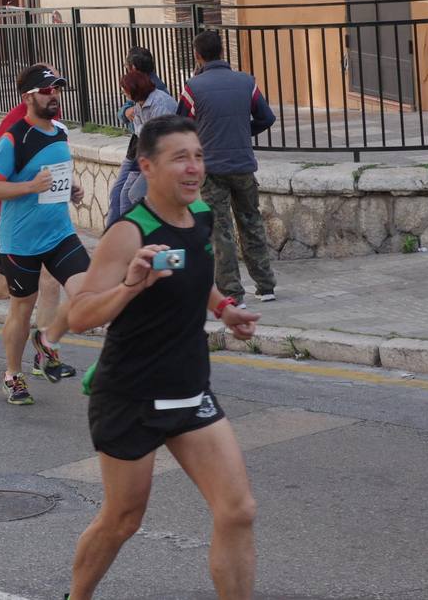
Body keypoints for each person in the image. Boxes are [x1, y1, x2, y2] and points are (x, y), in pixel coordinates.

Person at [65, 115, 261, 600]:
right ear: (147, 167)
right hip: (131, 395)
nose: (194, 168)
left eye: (197, 156)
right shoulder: (128, 234)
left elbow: (197, 272)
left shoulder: (202, 219)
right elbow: (80, 316)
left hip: (190, 390)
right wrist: (132, 284)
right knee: (122, 519)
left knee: (237, 511)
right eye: (180, 158)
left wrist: (223, 308)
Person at [0, 64, 87, 405]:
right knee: (21, 310)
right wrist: (30, 186)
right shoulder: (14, 138)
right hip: (21, 241)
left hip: (59, 234)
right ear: (28, 97)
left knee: (86, 291)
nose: (55, 96)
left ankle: (47, 338)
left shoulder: (61, 132)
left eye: (57, 89)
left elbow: (55, 175)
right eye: (47, 90)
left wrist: (72, 190)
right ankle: (13, 375)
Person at [177, 31, 278, 304]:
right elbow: (267, 117)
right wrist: (244, 131)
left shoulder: (193, 88)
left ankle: (232, 293)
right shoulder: (246, 82)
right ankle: (266, 285)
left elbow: (181, 125)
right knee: (251, 221)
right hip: (244, 165)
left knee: (220, 231)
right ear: (223, 51)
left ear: (198, 55)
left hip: (212, 169)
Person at [106, 47, 172, 227]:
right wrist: (126, 112)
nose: (124, 93)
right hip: (141, 149)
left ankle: (132, 238)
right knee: (120, 194)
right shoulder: (141, 93)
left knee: (131, 194)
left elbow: (160, 136)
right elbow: (128, 118)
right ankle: (115, 240)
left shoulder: (153, 95)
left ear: (133, 68)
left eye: (127, 67)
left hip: (153, 153)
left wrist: (127, 113)